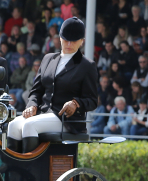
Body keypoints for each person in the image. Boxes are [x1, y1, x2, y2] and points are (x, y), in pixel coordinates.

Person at [7, 17, 98, 153]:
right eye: (66, 39)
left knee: (29, 126)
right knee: (13, 125)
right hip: (42, 112)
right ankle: (13, 170)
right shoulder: (48, 59)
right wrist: (32, 105)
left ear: (81, 42)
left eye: (73, 41)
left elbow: (92, 101)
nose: (68, 43)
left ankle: (32, 170)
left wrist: (76, 103)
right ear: (60, 38)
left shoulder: (87, 66)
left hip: (66, 120)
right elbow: (36, 91)